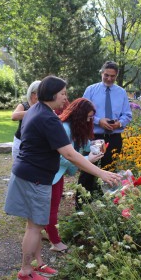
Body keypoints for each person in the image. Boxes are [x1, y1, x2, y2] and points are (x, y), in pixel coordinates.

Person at [4, 75, 121, 280]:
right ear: (51, 94)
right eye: (63, 93)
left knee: (34, 225)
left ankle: (37, 264)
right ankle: (25, 271)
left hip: (27, 173)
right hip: (36, 178)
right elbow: (69, 155)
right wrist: (101, 173)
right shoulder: (48, 118)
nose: (66, 99)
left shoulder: (35, 110)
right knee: (34, 227)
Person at [46, 98, 103, 253]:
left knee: (52, 207)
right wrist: (87, 159)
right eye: (88, 117)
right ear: (79, 115)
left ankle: (46, 232)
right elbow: (64, 156)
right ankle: (55, 242)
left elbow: (82, 146)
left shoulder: (76, 127)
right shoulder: (64, 128)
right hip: (52, 174)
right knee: (51, 209)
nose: (90, 120)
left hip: (58, 174)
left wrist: (95, 145)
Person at [78, 60, 132, 208]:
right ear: (102, 73)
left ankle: (107, 205)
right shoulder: (91, 90)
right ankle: (81, 205)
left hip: (114, 138)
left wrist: (119, 123)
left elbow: (127, 115)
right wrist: (98, 121)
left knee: (110, 172)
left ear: (116, 76)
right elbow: (81, 112)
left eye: (112, 76)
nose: (109, 79)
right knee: (88, 170)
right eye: (106, 75)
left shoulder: (121, 92)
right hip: (95, 137)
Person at [11, 80, 40, 160]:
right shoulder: (24, 105)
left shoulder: (43, 107)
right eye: (37, 93)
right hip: (20, 140)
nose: (39, 96)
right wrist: (32, 112)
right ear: (31, 93)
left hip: (35, 143)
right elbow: (14, 116)